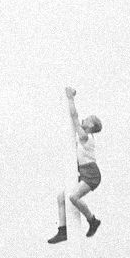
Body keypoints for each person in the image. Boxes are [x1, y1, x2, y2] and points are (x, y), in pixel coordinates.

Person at [48, 87, 103, 242]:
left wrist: (70, 99)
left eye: (88, 119)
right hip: (83, 172)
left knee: (73, 197)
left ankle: (92, 220)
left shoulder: (85, 136)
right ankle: (62, 230)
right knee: (61, 197)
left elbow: (74, 116)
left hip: (91, 174)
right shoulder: (83, 137)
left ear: (91, 126)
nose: (84, 119)